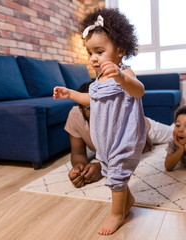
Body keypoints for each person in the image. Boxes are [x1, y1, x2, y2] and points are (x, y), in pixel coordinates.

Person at [53, 8, 146, 235]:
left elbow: (139, 91)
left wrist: (121, 76)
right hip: (105, 139)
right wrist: (70, 94)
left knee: (117, 175)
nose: (94, 58)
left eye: (100, 51)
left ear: (120, 50)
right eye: (90, 52)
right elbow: (90, 100)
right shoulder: (96, 81)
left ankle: (116, 214)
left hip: (124, 136)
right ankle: (128, 200)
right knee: (110, 171)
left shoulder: (125, 72)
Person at [65, 81, 173, 188]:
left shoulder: (117, 116)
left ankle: (179, 121)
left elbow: (134, 150)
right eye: (89, 108)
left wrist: (102, 167)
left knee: (175, 133)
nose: (97, 113)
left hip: (145, 128)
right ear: (80, 108)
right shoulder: (75, 116)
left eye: (101, 107)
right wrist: (80, 168)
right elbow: (78, 153)